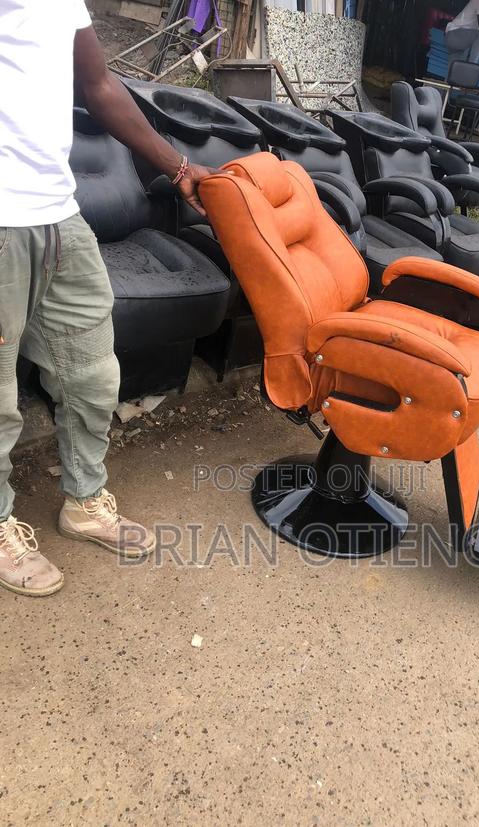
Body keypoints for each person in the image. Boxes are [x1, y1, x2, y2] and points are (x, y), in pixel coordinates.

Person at [0, 1, 213, 597]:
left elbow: (98, 84)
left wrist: (178, 168)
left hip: (58, 214)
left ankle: (84, 501)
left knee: (91, 371)